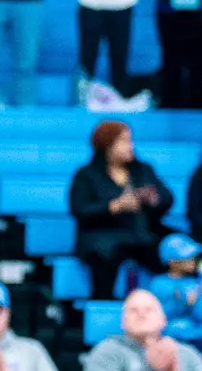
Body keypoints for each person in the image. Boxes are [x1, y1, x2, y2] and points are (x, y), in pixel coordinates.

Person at [69, 120, 173, 299]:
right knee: (104, 255)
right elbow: (80, 210)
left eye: (130, 140)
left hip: (141, 233)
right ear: (107, 145)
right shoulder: (87, 175)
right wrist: (114, 206)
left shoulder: (143, 170)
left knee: (174, 246)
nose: (130, 146)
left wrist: (153, 199)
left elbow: (167, 197)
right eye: (124, 141)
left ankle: (175, 300)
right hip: (103, 235)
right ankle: (103, 302)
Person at [148, 233, 202, 343]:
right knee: (178, 326)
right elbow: (161, 315)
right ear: (172, 262)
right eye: (187, 257)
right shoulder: (159, 283)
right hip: (170, 336)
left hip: (196, 333)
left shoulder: (195, 281)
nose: (193, 260)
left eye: (193, 257)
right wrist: (184, 300)